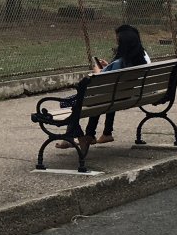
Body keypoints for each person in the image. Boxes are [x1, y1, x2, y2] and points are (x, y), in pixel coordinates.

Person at [58, 25, 149, 156]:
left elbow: (99, 78)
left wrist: (97, 70)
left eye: (118, 41)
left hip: (103, 98)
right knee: (98, 100)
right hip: (122, 97)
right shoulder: (138, 62)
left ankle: (75, 136)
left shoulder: (119, 63)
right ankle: (85, 135)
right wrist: (108, 67)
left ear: (123, 44)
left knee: (67, 103)